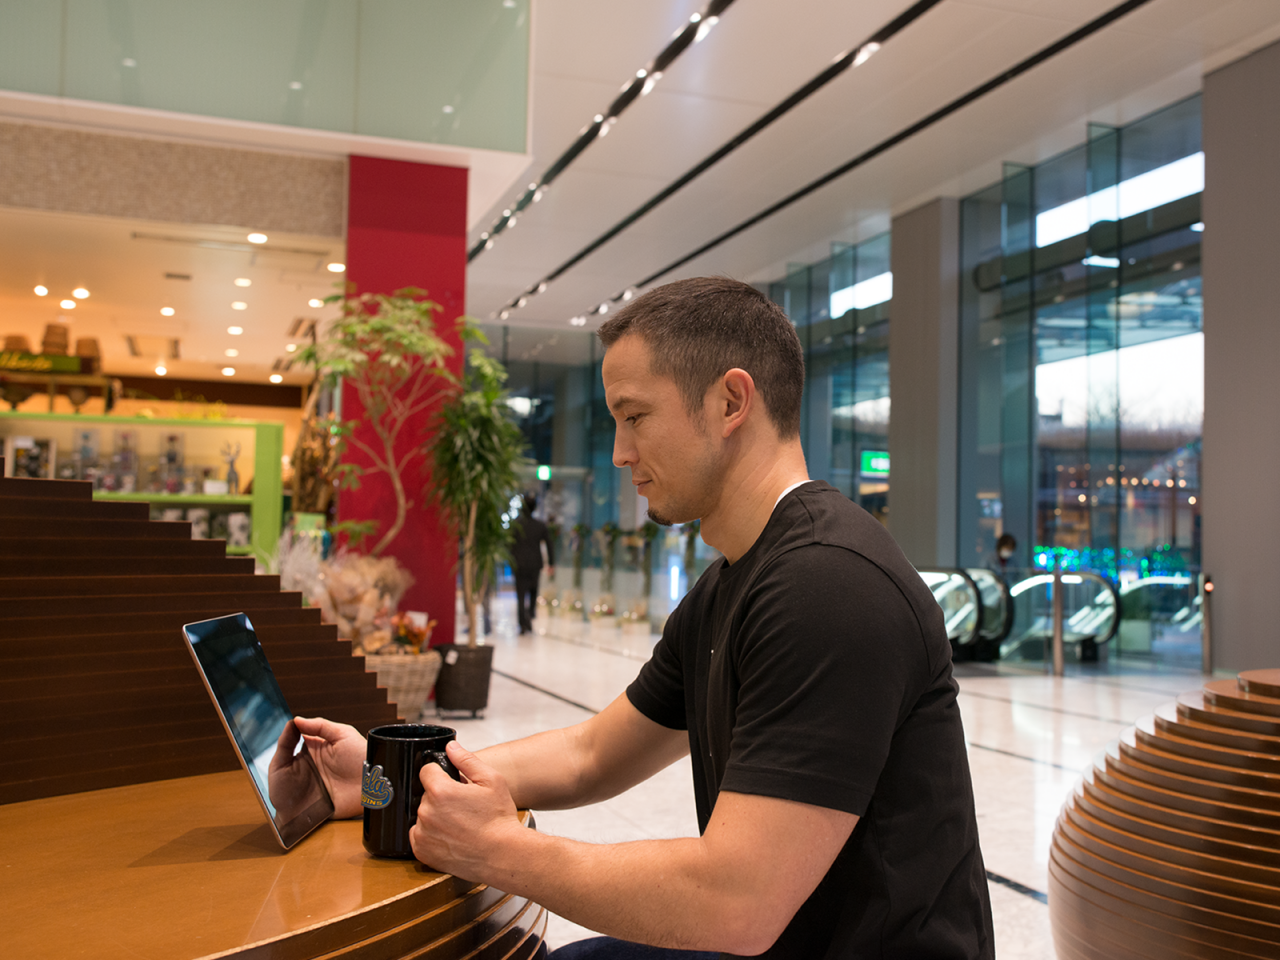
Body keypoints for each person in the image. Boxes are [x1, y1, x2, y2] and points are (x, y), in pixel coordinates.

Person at [295, 277, 993, 959]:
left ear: (730, 402)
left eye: (635, 417)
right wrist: (396, 771)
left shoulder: (829, 586)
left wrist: (502, 851)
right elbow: (592, 754)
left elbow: (735, 903)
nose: (621, 452)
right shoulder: (732, 583)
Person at [512, 494, 555, 634]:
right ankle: (529, 616)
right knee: (533, 592)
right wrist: (551, 563)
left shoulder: (516, 526)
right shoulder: (540, 526)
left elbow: (509, 545)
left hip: (519, 564)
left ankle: (522, 624)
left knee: (520, 595)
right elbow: (549, 545)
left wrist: (511, 560)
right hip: (534, 565)